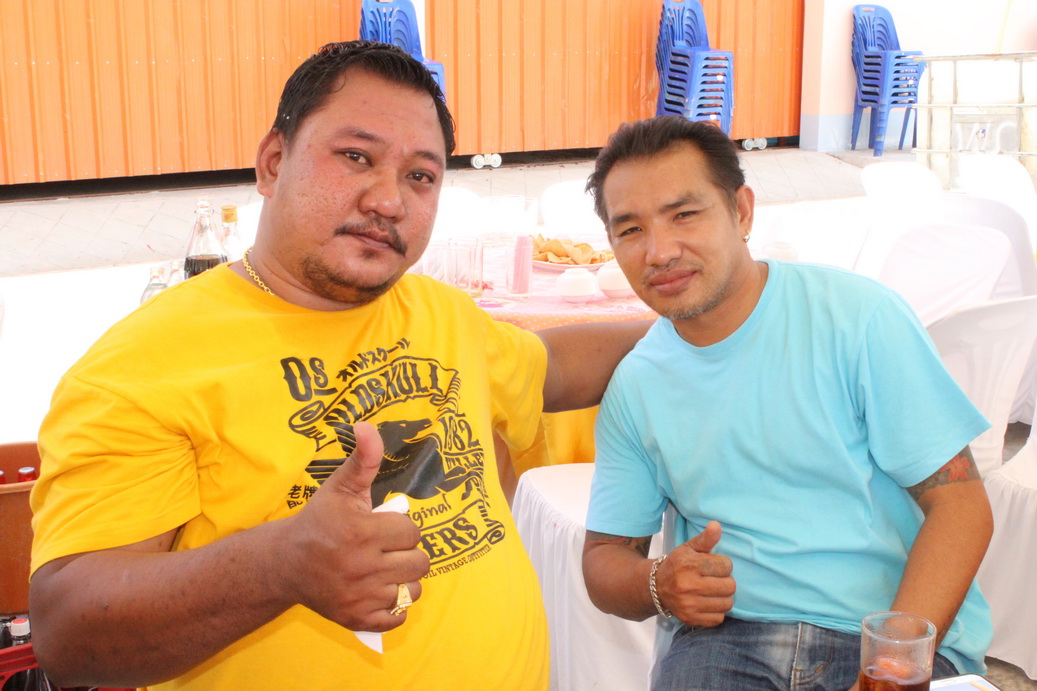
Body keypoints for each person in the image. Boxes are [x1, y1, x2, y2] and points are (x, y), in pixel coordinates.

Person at [28, 41, 649, 690]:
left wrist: (692, 323)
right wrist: (282, 564)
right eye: (356, 156)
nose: (388, 200)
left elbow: (550, 368)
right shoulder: (142, 365)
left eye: (421, 176)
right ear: (273, 162)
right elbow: (68, 633)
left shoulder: (438, 309)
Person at [580, 116, 994, 691]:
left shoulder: (858, 319)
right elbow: (603, 559)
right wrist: (658, 583)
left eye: (685, 214)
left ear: (742, 211)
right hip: (726, 640)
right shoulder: (638, 384)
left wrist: (895, 661)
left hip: (881, 630)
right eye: (630, 229)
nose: (660, 251)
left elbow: (961, 507)